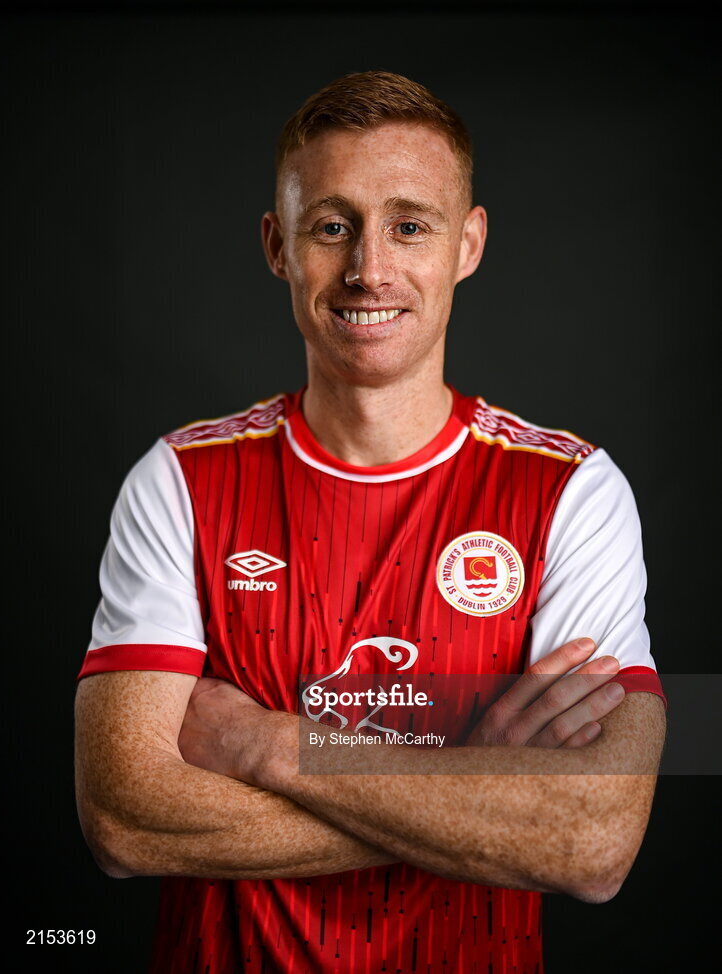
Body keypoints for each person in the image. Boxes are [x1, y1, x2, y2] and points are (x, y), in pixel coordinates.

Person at [74, 71, 667, 974]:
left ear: (468, 244)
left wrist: (266, 743)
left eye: (410, 225)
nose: (369, 271)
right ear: (278, 245)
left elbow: (591, 840)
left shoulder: (574, 493)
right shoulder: (180, 481)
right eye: (332, 226)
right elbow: (122, 819)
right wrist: (474, 774)